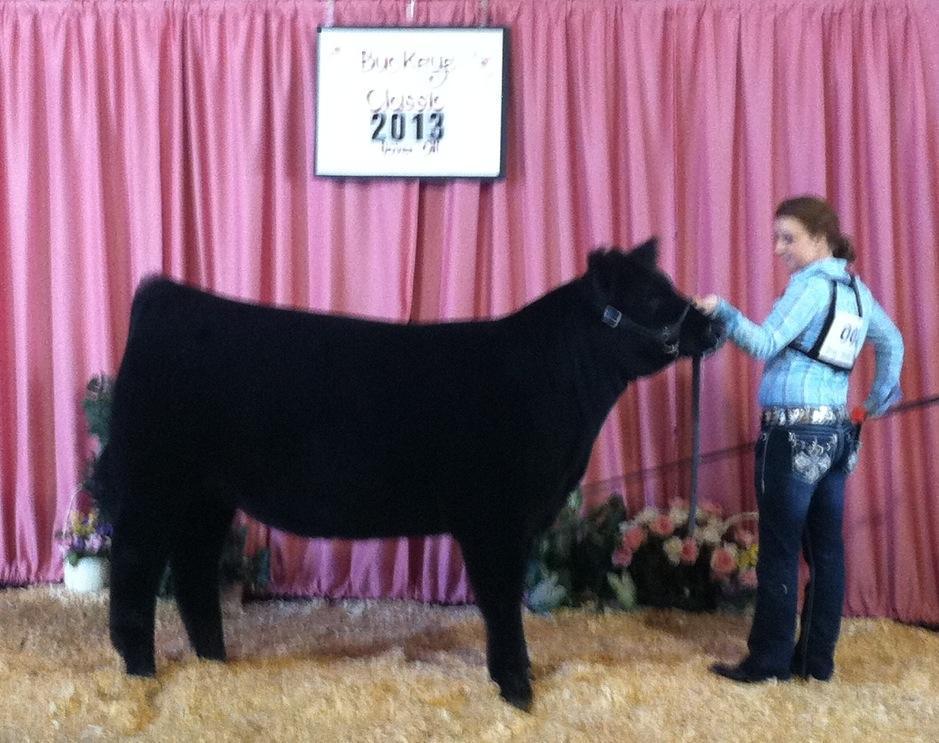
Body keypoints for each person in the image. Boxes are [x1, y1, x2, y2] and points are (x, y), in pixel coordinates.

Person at [693, 195, 904, 683]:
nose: (778, 249)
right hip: (836, 433)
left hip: (790, 434)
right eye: (777, 238)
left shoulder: (809, 287)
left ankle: (768, 660)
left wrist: (723, 311)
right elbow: (892, 342)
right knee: (827, 551)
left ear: (821, 238)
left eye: (789, 238)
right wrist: (871, 405)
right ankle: (815, 660)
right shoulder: (857, 291)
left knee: (781, 550)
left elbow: (765, 342)